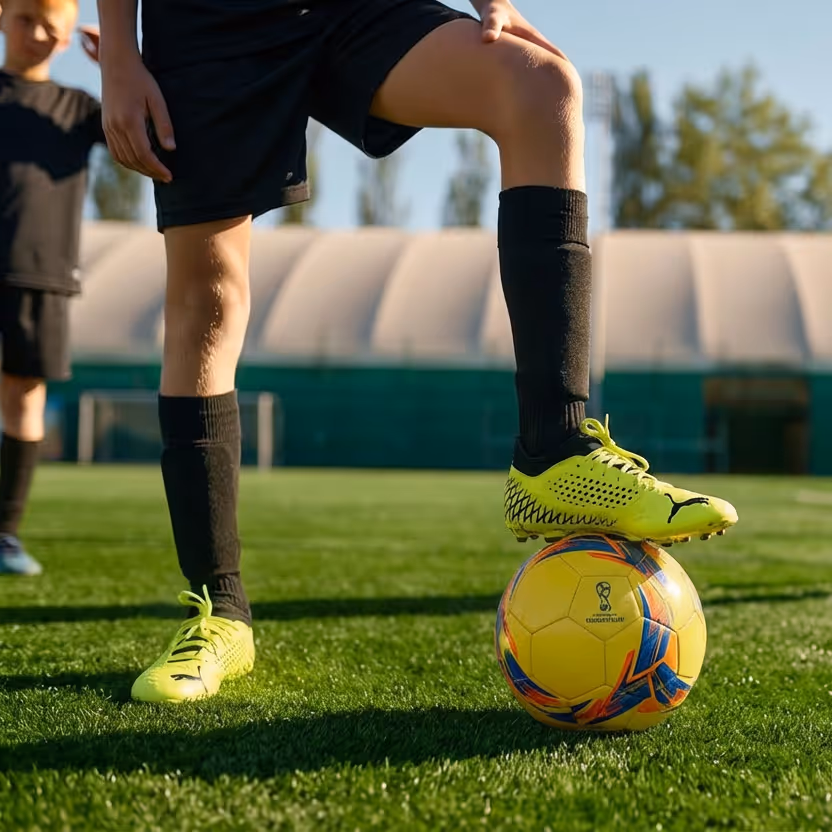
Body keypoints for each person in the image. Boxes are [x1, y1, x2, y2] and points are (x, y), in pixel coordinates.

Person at [96, 0, 739, 703]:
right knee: (208, 298)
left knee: (540, 84)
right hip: (210, 28)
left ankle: (552, 453)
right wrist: (123, 62)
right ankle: (218, 612)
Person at [0, 0, 102, 575]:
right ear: (1, 15)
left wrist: (119, 62)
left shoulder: (77, 109)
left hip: (42, 275)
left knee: (23, 397)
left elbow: (153, 133)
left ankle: (4, 534)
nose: (38, 34)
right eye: (26, 19)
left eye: (52, 28)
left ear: (67, 41)